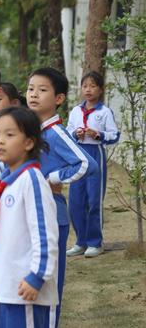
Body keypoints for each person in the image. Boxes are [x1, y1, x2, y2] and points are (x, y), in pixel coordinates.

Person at [26, 67, 98, 325]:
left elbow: (87, 164)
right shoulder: (33, 130)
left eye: (42, 90)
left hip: (53, 216)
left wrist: (51, 179)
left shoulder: (55, 132)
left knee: (49, 286)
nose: (33, 95)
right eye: (31, 89)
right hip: (34, 213)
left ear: (59, 99)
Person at [0, 106, 59, 328]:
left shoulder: (32, 181)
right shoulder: (8, 183)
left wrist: (36, 276)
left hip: (28, 292)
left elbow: (45, 235)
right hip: (9, 290)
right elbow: (1, 239)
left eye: (9, 135)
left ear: (28, 142)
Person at [66, 71, 119, 258]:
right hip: (78, 156)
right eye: (85, 86)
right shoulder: (75, 111)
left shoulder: (104, 112)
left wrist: (98, 135)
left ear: (100, 89)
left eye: (93, 86)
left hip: (95, 154)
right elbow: (68, 132)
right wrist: (76, 135)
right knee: (75, 202)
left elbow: (114, 135)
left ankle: (95, 242)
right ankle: (81, 242)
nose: (88, 89)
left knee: (93, 200)